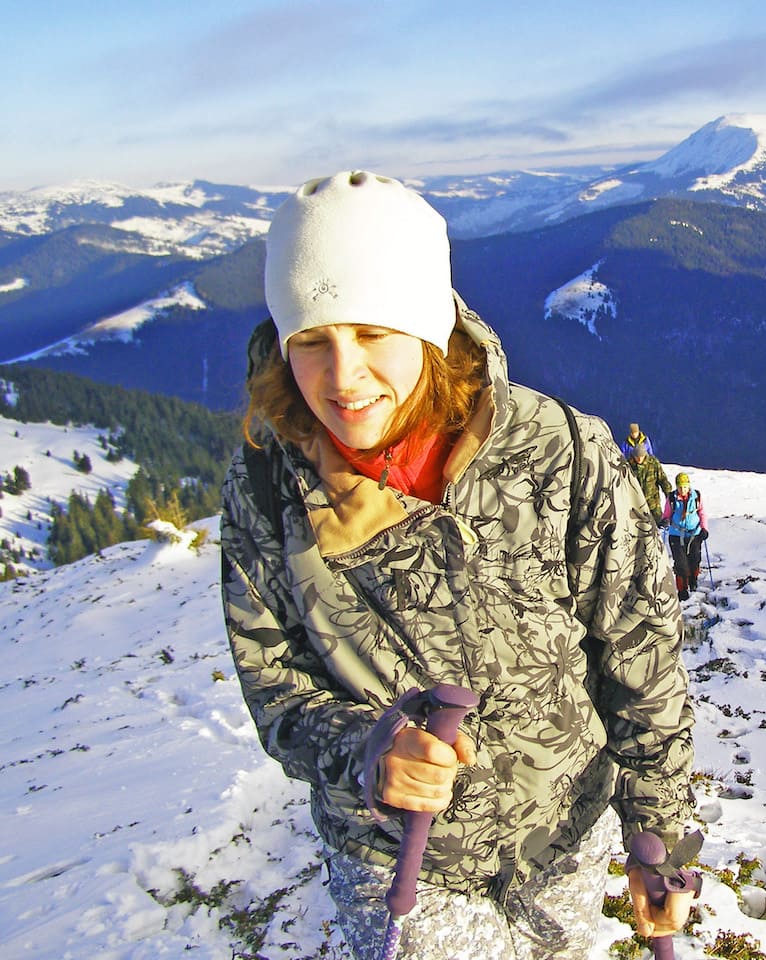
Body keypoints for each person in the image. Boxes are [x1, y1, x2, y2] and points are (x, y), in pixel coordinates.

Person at [219, 171, 696, 960]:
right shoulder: (269, 486)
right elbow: (275, 687)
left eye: (373, 332)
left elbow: (640, 655)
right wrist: (367, 750)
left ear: (429, 327)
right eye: (311, 340)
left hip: (561, 839)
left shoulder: (560, 451)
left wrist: (659, 834)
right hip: (398, 854)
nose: (343, 376)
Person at [662, 472, 708, 601]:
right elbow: (667, 514)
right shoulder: (672, 498)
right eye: (680, 487)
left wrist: (704, 528)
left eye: (685, 486)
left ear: (689, 486)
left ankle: (693, 580)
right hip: (676, 535)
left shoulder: (696, 497)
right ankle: (682, 591)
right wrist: (665, 520)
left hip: (695, 534)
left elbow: (702, 513)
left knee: (695, 560)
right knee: (681, 565)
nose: (683, 489)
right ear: (676, 486)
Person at [627, 442, 672, 528]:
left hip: (653, 504)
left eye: (641, 456)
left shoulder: (653, 463)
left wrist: (669, 496)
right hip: (635, 505)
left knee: (658, 526)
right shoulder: (629, 466)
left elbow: (662, 480)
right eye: (637, 457)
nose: (639, 459)